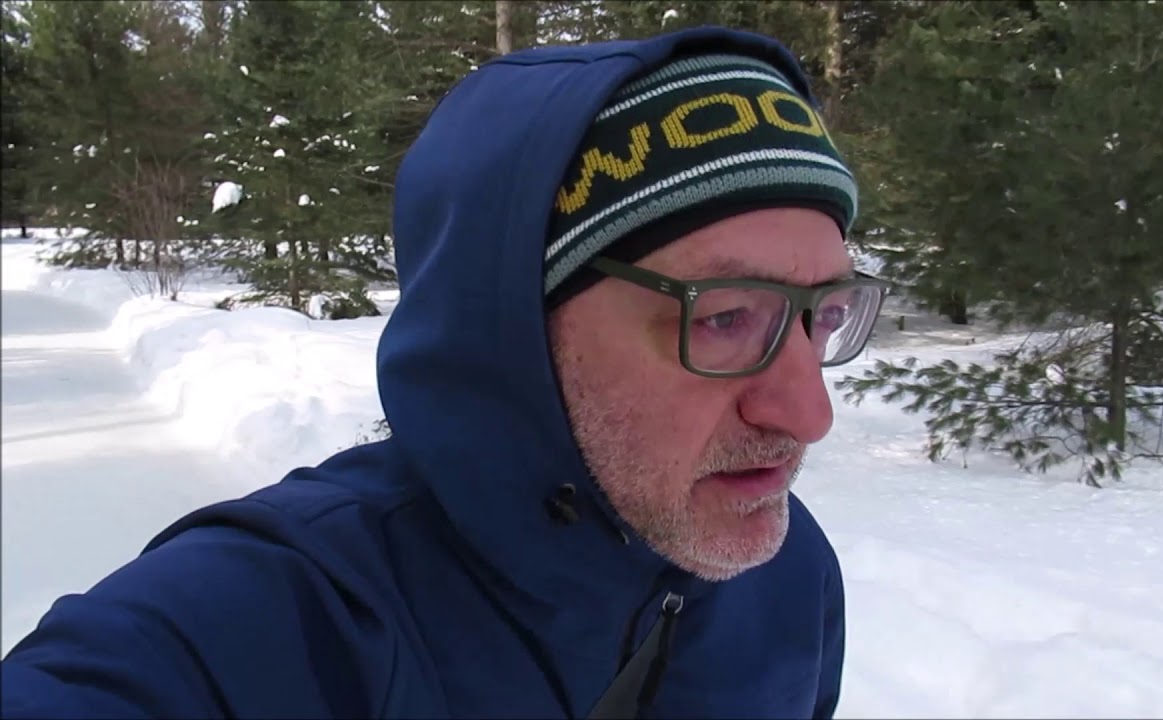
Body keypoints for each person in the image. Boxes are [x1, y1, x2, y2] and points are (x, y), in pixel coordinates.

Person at [1, 25, 887, 718]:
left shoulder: (788, 577)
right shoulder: (271, 622)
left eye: (824, 315)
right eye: (728, 317)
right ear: (513, 331)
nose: (808, 412)